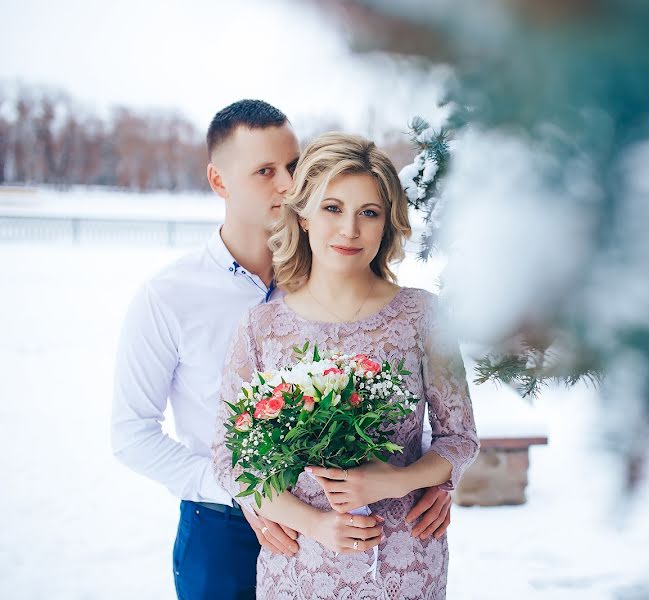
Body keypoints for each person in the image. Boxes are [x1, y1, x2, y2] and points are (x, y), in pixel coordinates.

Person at [111, 101, 452, 600]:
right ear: (219, 181)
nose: (289, 184)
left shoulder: (333, 269)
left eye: (293, 165)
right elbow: (131, 434)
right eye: (265, 172)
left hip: (354, 530)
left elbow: (410, 396)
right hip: (223, 525)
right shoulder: (170, 296)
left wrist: (428, 480)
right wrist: (247, 495)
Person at [210, 131, 479, 599]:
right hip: (300, 565)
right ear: (304, 215)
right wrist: (313, 523)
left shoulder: (423, 317)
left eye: (368, 213)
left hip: (404, 562)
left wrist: (400, 479)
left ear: (387, 225)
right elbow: (231, 458)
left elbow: (460, 438)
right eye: (333, 208)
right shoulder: (261, 328)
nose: (349, 230)